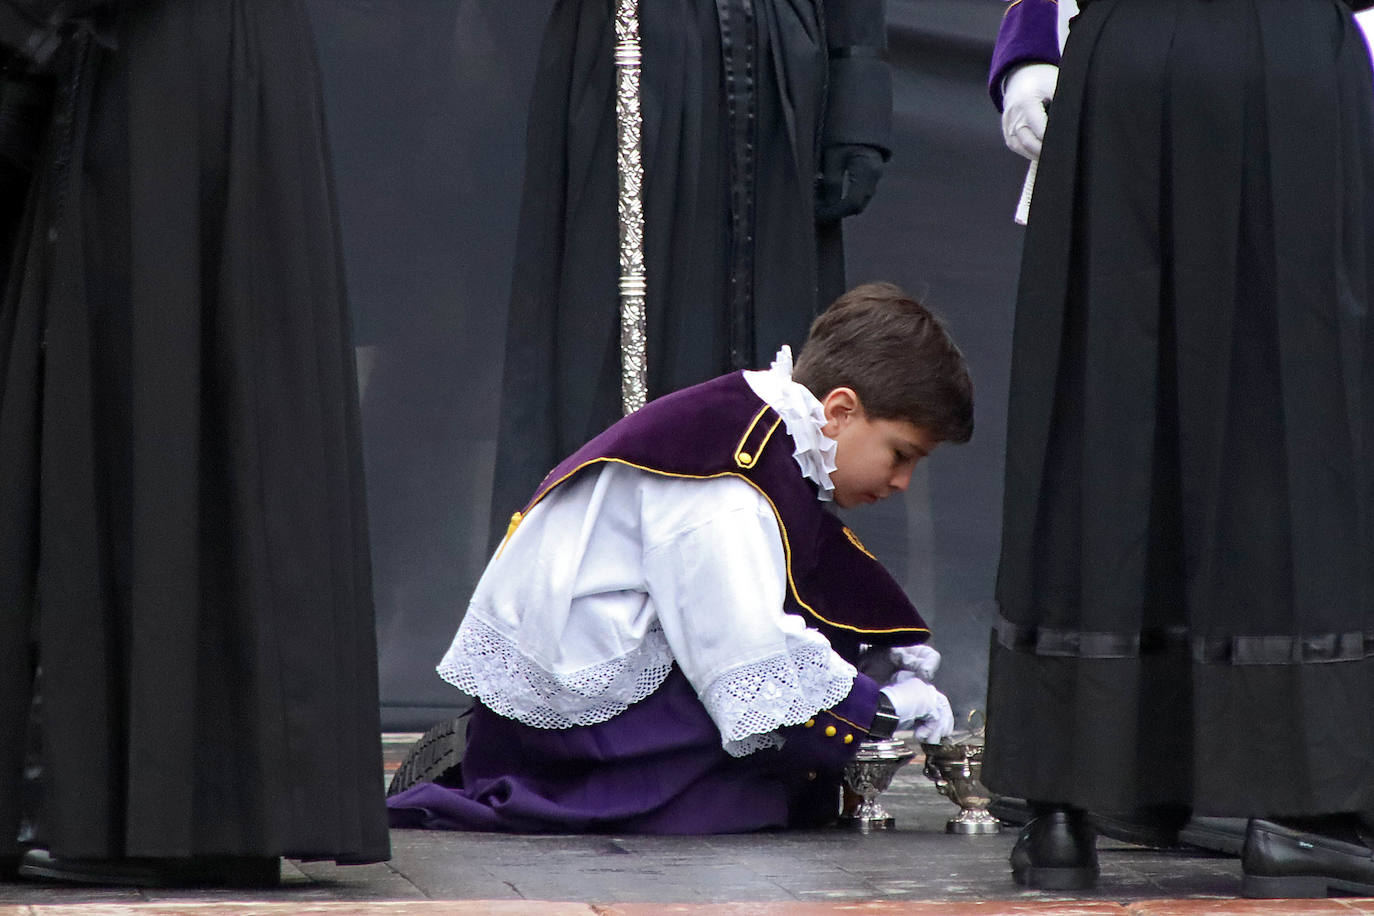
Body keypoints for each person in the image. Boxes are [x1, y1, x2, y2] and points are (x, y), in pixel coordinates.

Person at [983, 0, 1374, 898]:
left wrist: (1033, 42)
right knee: (1294, 416)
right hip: (1282, 58)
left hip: (1121, 57)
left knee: (1103, 407)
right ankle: (1300, 815)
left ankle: (1060, 809)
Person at [0, 0, 390, 885]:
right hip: (194, 65)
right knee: (208, 399)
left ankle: (141, 812)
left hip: (151, 72)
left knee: (151, 391)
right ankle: (204, 808)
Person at [386, 283, 972, 834]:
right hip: (572, 737)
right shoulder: (724, 480)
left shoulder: (770, 436)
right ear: (840, 410)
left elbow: (804, 579)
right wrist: (882, 711)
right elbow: (744, 648)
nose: (901, 481)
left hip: (606, 699)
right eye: (901, 454)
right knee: (743, 801)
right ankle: (489, 764)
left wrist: (876, 652)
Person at [488, 0, 896, 549]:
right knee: (605, 346)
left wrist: (856, 83)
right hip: (632, 55)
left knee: (775, 354)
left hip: (776, 70)